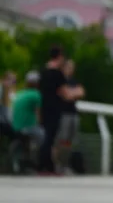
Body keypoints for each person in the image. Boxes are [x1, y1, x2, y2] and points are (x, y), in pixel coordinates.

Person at [38, 46, 82, 175]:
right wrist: (75, 94)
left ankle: (42, 165)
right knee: (51, 139)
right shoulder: (57, 73)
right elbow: (65, 93)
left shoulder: (43, 71)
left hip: (44, 107)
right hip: (55, 108)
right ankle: (48, 166)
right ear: (59, 56)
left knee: (45, 136)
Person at [55, 59, 85, 173]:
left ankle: (65, 164)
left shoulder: (73, 81)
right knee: (61, 140)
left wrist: (71, 93)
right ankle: (57, 164)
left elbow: (81, 92)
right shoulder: (60, 80)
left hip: (73, 113)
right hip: (64, 114)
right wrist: (73, 93)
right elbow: (66, 95)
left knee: (70, 141)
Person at [11, 71, 44, 147]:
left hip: (15, 127)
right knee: (44, 136)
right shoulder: (36, 94)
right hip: (27, 128)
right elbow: (38, 115)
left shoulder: (20, 93)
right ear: (37, 83)